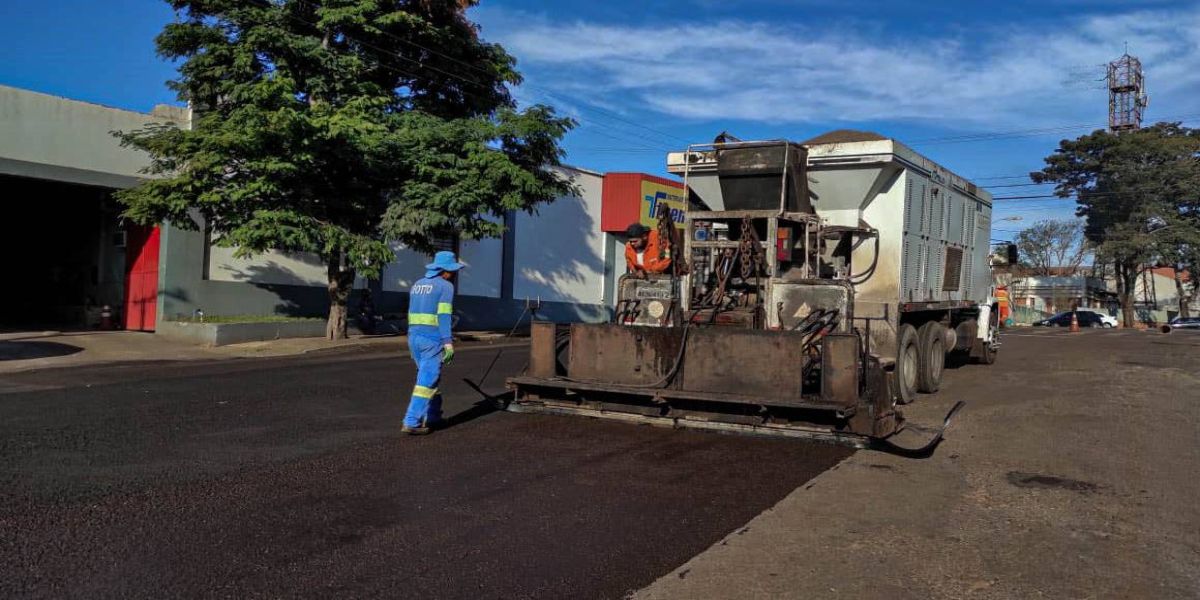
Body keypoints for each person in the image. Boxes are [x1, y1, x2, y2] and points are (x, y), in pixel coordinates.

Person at [402, 250, 465, 435]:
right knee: (426, 381)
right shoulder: (445, 286)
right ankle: (411, 421)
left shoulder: (417, 284)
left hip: (413, 338)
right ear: (445, 271)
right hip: (432, 339)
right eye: (453, 271)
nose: (454, 275)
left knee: (429, 377)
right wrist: (448, 343)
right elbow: (444, 316)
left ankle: (434, 416)